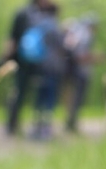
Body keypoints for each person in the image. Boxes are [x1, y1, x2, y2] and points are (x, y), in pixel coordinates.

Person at [0, 0, 54, 136]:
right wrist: (6, 59)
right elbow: (13, 37)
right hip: (25, 61)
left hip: (32, 61)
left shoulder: (30, 13)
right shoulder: (27, 13)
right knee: (19, 92)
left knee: (21, 92)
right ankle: (13, 123)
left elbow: (13, 37)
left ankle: (15, 123)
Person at [30, 3, 65, 140]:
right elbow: (62, 46)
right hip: (53, 67)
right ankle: (46, 129)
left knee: (39, 96)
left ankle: (36, 127)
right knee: (50, 97)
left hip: (38, 65)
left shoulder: (38, 24)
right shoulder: (54, 26)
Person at [62, 15, 103, 132]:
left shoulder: (77, 33)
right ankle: (71, 122)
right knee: (78, 97)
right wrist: (95, 58)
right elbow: (80, 56)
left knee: (71, 96)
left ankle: (70, 120)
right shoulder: (86, 35)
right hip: (80, 71)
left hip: (70, 70)